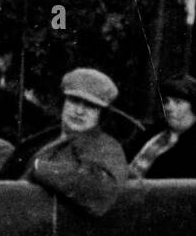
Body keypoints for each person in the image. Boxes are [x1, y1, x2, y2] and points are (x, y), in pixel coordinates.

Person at [22, 67, 128, 215]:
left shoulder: (104, 145)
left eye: (90, 106)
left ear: (101, 114)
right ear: (63, 102)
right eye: (74, 100)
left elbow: (103, 191)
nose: (79, 111)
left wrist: (40, 168)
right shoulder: (44, 138)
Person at [129, 74, 196, 180]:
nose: (168, 107)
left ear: (195, 106)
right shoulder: (155, 130)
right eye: (166, 101)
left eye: (178, 102)